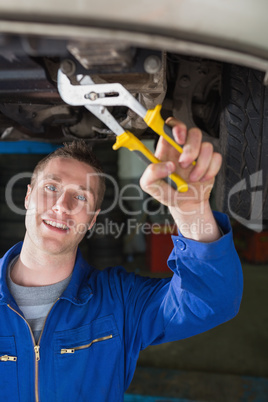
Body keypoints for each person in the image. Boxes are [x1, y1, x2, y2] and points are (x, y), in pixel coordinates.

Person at [0, 118, 243, 402]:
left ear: (92, 221)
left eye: (80, 196)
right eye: (51, 187)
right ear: (28, 196)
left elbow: (214, 301)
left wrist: (192, 212)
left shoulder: (119, 303)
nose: (61, 206)